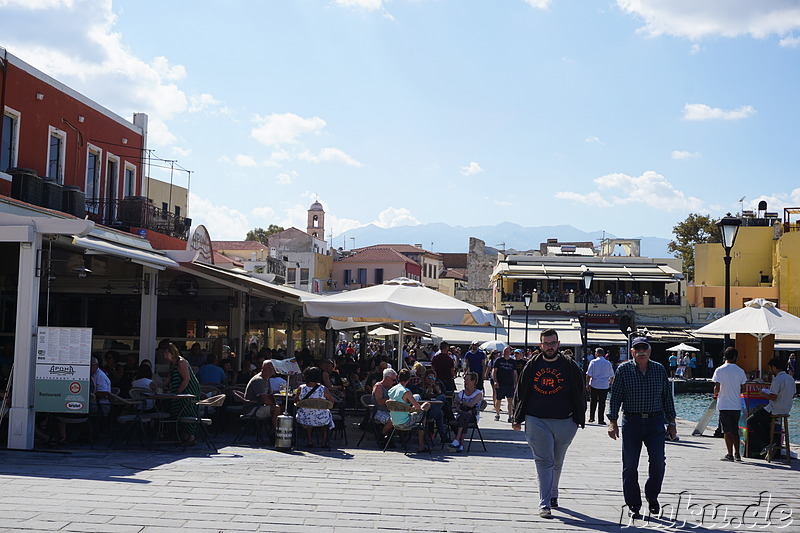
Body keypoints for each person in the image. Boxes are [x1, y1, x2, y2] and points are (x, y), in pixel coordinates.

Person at [511, 329, 585, 519]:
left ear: (558, 344)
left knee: (557, 461)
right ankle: (544, 504)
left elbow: (580, 391)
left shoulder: (569, 365)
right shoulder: (532, 364)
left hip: (565, 421)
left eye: (553, 343)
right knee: (544, 461)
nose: (550, 347)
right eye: (546, 344)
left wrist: (579, 418)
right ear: (540, 345)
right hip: (536, 419)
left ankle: (553, 494)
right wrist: (516, 418)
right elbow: (521, 390)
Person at [607, 337, 677, 520]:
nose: (641, 352)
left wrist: (672, 422)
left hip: (655, 422)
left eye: (643, 348)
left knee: (658, 463)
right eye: (637, 349)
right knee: (630, 466)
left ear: (649, 350)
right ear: (632, 352)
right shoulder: (623, 370)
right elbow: (615, 398)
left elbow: (666, 397)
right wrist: (612, 422)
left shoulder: (659, 369)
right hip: (632, 421)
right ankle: (633, 505)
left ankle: (652, 496)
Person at [746, 357, 795, 456]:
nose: (770, 371)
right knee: (763, 420)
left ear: (773, 367)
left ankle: (767, 443)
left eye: (770, 368)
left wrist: (764, 394)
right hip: (786, 409)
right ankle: (771, 442)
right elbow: (793, 394)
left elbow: (773, 397)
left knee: (750, 420)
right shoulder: (790, 378)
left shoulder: (777, 379)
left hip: (774, 409)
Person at [162, 342, 201, 445]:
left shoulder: (181, 362)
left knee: (187, 411)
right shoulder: (172, 364)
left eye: (167, 354)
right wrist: (161, 386)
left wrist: (178, 392)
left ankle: (191, 437)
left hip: (188, 390)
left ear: (172, 352)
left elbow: (186, 379)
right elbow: (169, 378)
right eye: (164, 354)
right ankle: (183, 436)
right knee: (176, 411)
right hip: (177, 391)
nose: (165, 357)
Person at [712, 347, 747, 462]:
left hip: (724, 404)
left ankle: (729, 454)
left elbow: (717, 387)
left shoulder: (719, 370)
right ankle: (737, 453)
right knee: (735, 430)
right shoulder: (740, 371)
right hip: (736, 405)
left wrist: (715, 394)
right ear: (734, 357)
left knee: (727, 431)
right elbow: (743, 388)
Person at [388, 368, 431, 453]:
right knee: (426, 406)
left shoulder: (391, 390)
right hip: (405, 422)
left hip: (394, 421)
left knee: (421, 417)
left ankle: (421, 443)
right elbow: (418, 408)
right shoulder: (406, 392)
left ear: (398, 378)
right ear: (409, 379)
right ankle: (421, 445)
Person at [294, 366, 337, 448]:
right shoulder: (323, 389)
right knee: (325, 419)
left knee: (309, 419)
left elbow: (296, 401)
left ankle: (309, 441)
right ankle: (324, 442)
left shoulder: (301, 388)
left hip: (304, 418)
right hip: (321, 419)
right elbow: (331, 401)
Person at [449, 372, 484, 452]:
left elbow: (472, 405)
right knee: (465, 415)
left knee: (465, 416)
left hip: (473, 416)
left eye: (467, 380)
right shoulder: (462, 393)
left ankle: (457, 439)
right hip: (462, 415)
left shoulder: (478, 393)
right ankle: (460, 444)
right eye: (465, 380)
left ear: (473, 381)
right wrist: (461, 409)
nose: (465, 382)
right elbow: (457, 408)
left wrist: (461, 402)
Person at [586, 347, 614, 424]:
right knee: (602, 403)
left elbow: (588, 374)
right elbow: (612, 375)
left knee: (593, 401)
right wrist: (610, 383)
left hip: (594, 384)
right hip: (604, 385)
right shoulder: (608, 363)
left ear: (597, 353)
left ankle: (591, 417)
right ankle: (601, 419)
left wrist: (587, 384)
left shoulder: (593, 362)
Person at [492, 346, 517, 422]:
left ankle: (510, 416)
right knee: (498, 399)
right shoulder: (499, 360)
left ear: (510, 352)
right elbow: (494, 371)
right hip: (500, 383)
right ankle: (497, 414)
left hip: (509, 384)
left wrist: (516, 383)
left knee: (510, 400)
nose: (506, 352)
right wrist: (495, 381)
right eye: (504, 351)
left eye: (507, 351)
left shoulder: (513, 361)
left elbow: (515, 373)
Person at [372, 368, 398, 439]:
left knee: (401, 418)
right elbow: (379, 402)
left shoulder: (390, 388)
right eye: (393, 380)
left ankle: (390, 437)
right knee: (393, 420)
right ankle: (382, 435)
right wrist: (392, 399)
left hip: (388, 410)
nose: (394, 382)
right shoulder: (378, 386)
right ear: (386, 378)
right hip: (378, 411)